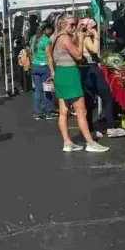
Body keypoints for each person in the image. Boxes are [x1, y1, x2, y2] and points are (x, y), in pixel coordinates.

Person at [46, 14, 109, 154]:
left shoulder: (54, 37)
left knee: (63, 112)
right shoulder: (65, 38)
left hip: (61, 74)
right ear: (62, 25)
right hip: (70, 74)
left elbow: (51, 56)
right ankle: (90, 143)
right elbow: (79, 56)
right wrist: (80, 38)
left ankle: (67, 142)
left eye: (75, 24)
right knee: (82, 111)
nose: (74, 27)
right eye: (71, 25)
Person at [78, 19, 125, 139]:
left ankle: (90, 129)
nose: (96, 30)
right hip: (91, 69)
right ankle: (111, 127)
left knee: (89, 101)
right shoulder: (86, 38)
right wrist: (96, 37)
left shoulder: (78, 37)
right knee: (107, 97)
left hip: (83, 70)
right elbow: (94, 50)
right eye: (94, 28)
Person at [30, 23, 55, 120]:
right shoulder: (46, 40)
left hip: (35, 65)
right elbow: (49, 56)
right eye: (51, 29)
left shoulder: (33, 38)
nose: (51, 32)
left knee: (37, 89)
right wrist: (52, 70)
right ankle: (49, 112)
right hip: (44, 66)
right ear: (46, 29)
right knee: (47, 89)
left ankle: (38, 112)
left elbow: (31, 52)